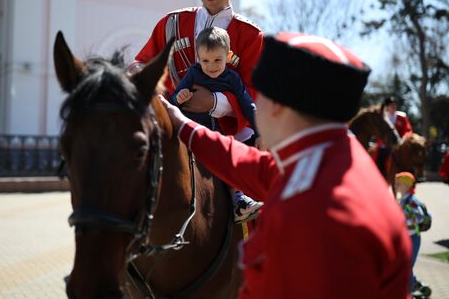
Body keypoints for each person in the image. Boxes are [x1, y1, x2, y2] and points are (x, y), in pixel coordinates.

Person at [160, 32, 412, 298]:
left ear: (277, 106)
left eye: (261, 98)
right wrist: (183, 125)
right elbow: (254, 167)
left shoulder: (312, 211)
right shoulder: (332, 158)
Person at [130, 0, 263, 139]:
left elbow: (255, 92)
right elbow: (142, 63)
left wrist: (214, 102)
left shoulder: (250, 35)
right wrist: (137, 75)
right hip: (173, 131)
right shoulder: (170, 23)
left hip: (231, 139)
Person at [171, 26, 262, 222]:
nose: (211, 66)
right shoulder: (194, 74)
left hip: (222, 130)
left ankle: (238, 200)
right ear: (197, 58)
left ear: (228, 56)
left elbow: (248, 105)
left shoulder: (232, 78)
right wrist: (180, 97)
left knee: (233, 154)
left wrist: (260, 131)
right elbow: (172, 100)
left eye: (217, 60)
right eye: (205, 61)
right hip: (196, 129)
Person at [394, 172, 431, 298]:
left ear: (406, 185)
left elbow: (419, 216)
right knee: (404, 265)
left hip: (413, 238)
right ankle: (416, 286)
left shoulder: (411, 200)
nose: (395, 186)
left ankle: (410, 291)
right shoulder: (402, 199)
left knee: (406, 266)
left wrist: (403, 222)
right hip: (406, 238)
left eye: (398, 183)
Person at [375, 96, 413, 173]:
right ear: (386, 107)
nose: (393, 107)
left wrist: (404, 139)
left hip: (399, 144)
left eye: (394, 105)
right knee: (381, 156)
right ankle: (381, 175)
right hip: (385, 145)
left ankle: (410, 176)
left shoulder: (402, 116)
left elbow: (408, 130)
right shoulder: (382, 117)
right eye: (391, 105)